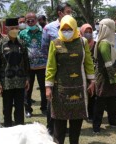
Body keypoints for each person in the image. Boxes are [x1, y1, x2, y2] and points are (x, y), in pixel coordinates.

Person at [45, 15, 95, 144]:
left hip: (79, 85)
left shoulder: (82, 42)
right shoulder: (55, 43)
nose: (67, 31)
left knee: (77, 117)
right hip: (60, 87)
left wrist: (92, 80)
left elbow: (88, 62)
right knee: (60, 117)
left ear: (74, 28)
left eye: (69, 29)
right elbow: (50, 66)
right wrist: (48, 87)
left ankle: (74, 143)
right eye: (64, 29)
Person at [42, 2, 72, 135]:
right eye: (68, 12)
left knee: (67, 98)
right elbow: (44, 49)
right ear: (60, 13)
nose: (70, 15)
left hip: (70, 70)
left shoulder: (73, 26)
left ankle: (63, 126)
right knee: (53, 98)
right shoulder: (49, 28)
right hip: (54, 70)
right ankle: (51, 127)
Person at [0, 18, 30, 127]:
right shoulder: (0, 44)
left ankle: (20, 130)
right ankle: (8, 129)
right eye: (12, 28)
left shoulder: (22, 43)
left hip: (20, 81)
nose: (14, 30)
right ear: (7, 28)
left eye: (16, 28)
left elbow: (26, 63)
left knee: (19, 108)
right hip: (6, 82)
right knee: (7, 108)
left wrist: (27, 78)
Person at [92, 18, 116, 133]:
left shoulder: (107, 42)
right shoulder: (105, 44)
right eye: (113, 27)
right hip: (104, 77)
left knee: (113, 99)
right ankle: (96, 125)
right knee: (100, 102)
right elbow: (108, 65)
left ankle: (113, 121)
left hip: (110, 76)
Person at [19, 12, 47, 118]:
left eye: (32, 20)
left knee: (44, 88)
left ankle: (44, 107)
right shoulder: (22, 33)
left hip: (43, 65)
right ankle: (28, 109)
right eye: (28, 21)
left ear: (36, 20)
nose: (30, 22)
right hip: (28, 67)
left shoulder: (44, 32)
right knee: (27, 89)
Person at [80, 23, 95, 122]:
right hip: (81, 72)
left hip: (92, 72)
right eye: (86, 32)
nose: (88, 34)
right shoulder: (79, 43)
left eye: (90, 32)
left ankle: (91, 113)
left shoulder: (96, 44)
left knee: (92, 93)